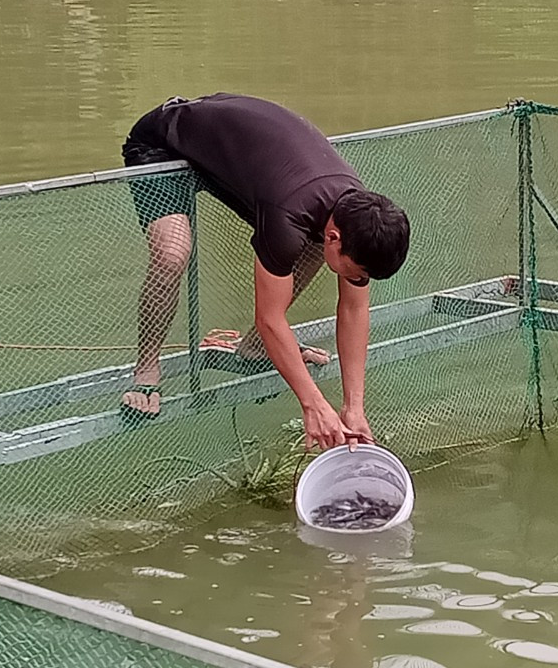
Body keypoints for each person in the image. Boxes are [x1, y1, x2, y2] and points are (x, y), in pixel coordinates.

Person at [119, 93, 410, 451]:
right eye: (357, 274)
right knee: (172, 254)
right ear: (335, 237)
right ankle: (147, 368)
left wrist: (354, 408)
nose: (357, 281)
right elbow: (269, 317)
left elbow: (354, 308)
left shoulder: (356, 213)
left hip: (235, 158)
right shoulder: (289, 216)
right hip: (162, 142)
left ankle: (256, 349)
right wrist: (314, 405)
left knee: (312, 247)